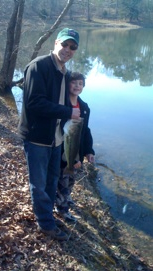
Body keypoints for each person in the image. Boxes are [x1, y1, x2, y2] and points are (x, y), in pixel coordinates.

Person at [18, 28, 80, 241]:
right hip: (37, 138)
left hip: (56, 138)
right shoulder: (39, 66)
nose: (67, 50)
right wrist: (67, 112)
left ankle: (48, 214)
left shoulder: (65, 73)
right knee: (39, 183)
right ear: (55, 43)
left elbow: (64, 101)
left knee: (52, 180)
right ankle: (46, 225)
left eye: (72, 47)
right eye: (65, 44)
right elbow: (34, 103)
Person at [55, 72, 95, 222]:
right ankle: (62, 209)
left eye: (80, 83)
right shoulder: (61, 104)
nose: (77, 86)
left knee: (71, 178)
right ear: (67, 84)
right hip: (62, 150)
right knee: (62, 181)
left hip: (76, 153)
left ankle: (67, 197)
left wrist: (89, 151)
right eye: (74, 83)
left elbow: (86, 131)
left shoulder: (84, 107)